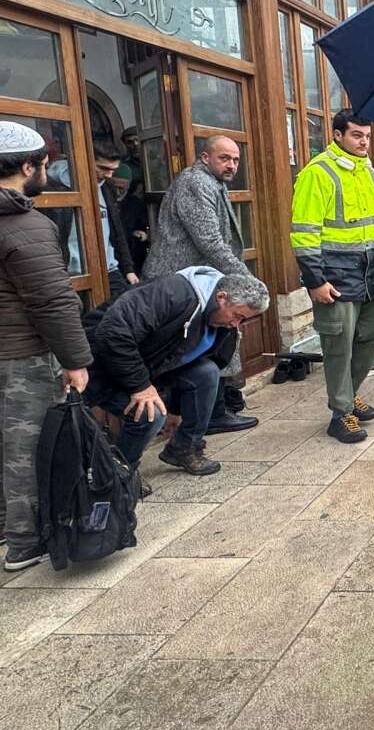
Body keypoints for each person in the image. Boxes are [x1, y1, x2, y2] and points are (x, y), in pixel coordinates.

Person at [0, 122, 92, 572]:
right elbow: (53, 301)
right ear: (25, 166)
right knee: (26, 445)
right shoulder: (26, 224)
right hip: (19, 354)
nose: (47, 171)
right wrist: (76, 360)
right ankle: (23, 540)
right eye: (43, 164)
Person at [83, 269, 269, 479]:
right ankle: (121, 474)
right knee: (150, 413)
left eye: (243, 321)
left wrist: (176, 407)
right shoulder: (173, 294)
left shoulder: (220, 317)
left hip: (148, 364)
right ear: (222, 297)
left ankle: (184, 448)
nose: (236, 324)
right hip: (98, 363)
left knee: (206, 372)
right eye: (237, 316)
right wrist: (141, 387)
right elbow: (113, 334)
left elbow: (193, 358)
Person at [291, 110, 374, 444]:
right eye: (357, 135)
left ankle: (348, 392)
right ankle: (341, 414)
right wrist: (314, 281)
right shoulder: (317, 173)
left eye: (367, 136)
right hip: (334, 277)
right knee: (339, 346)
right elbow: (304, 232)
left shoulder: (368, 171)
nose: (364, 142)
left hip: (370, 274)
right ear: (337, 135)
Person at [144, 136, 256, 436]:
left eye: (235, 159)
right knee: (192, 348)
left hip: (197, 283)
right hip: (176, 283)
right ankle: (197, 417)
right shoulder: (196, 182)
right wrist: (245, 278)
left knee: (212, 343)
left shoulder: (213, 182)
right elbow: (209, 240)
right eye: (224, 158)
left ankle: (214, 410)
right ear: (205, 157)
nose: (231, 164)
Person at [49, 143, 138, 298]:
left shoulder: (106, 186)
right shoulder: (55, 190)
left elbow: (116, 230)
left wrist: (128, 268)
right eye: (103, 168)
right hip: (73, 273)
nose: (109, 175)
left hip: (109, 269)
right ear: (85, 160)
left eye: (113, 170)